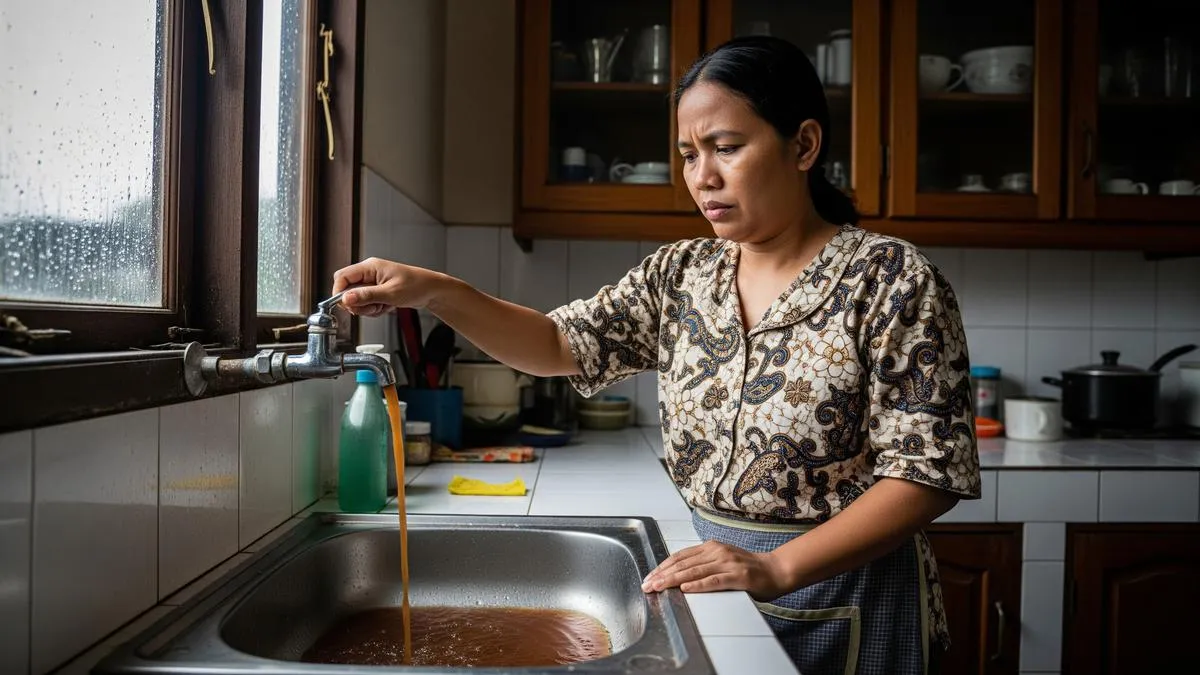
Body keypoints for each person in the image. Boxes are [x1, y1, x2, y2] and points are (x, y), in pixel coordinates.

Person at [333, 35, 980, 675]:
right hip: (717, 580)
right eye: (688, 153)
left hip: (852, 596)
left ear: (803, 145)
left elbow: (926, 475)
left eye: (726, 148)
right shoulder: (682, 274)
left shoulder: (891, 278)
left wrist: (777, 566)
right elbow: (560, 344)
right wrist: (435, 292)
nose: (702, 176)